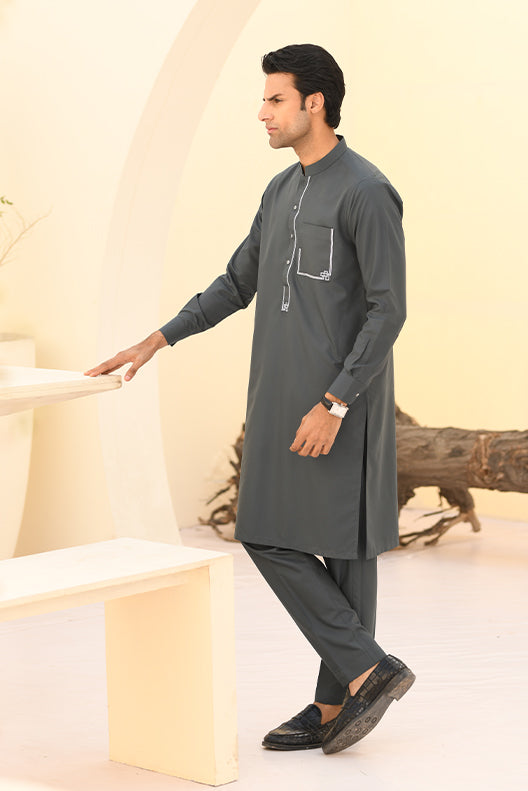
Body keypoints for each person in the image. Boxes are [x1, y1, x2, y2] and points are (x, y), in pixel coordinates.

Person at [86, 43, 414, 755]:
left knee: (345, 549)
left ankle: (340, 694)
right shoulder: (281, 190)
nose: (262, 112)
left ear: (314, 104)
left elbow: (388, 310)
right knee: (264, 527)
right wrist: (157, 339)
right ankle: (362, 674)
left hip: (340, 403)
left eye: (274, 99)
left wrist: (336, 403)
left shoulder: (366, 190)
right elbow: (238, 282)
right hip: (278, 395)